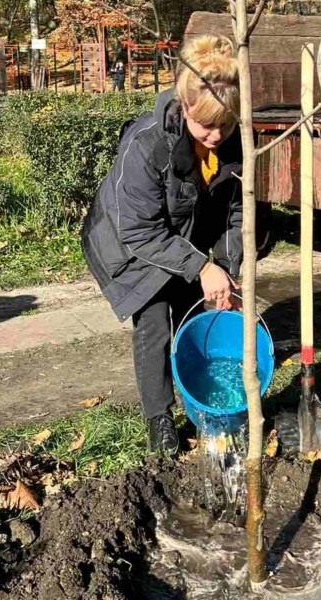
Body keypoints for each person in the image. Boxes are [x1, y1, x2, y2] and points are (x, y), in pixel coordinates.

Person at [81, 35, 242, 456]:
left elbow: (235, 213)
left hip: (180, 236)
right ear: (184, 106)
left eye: (225, 125)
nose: (216, 135)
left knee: (189, 309)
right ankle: (159, 419)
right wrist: (201, 267)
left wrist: (225, 268)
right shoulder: (146, 145)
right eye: (207, 125)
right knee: (154, 321)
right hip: (127, 244)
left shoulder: (232, 141)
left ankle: (198, 402)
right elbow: (139, 232)